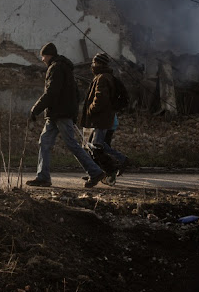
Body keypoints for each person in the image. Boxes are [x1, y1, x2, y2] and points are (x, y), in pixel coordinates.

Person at [26, 43, 108, 188]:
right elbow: (77, 94)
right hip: (57, 114)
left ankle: (95, 172)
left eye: (43, 56)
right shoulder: (65, 68)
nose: (42, 59)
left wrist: (35, 109)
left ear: (49, 55)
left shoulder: (55, 68)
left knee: (71, 144)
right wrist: (73, 113)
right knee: (44, 143)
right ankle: (43, 177)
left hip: (60, 113)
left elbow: (51, 93)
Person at [80, 53, 129, 183]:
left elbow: (100, 98)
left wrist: (90, 109)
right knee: (95, 146)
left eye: (94, 63)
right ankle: (96, 171)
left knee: (97, 147)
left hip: (101, 119)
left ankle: (113, 168)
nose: (92, 66)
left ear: (100, 64)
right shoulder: (104, 77)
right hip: (102, 119)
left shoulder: (102, 78)